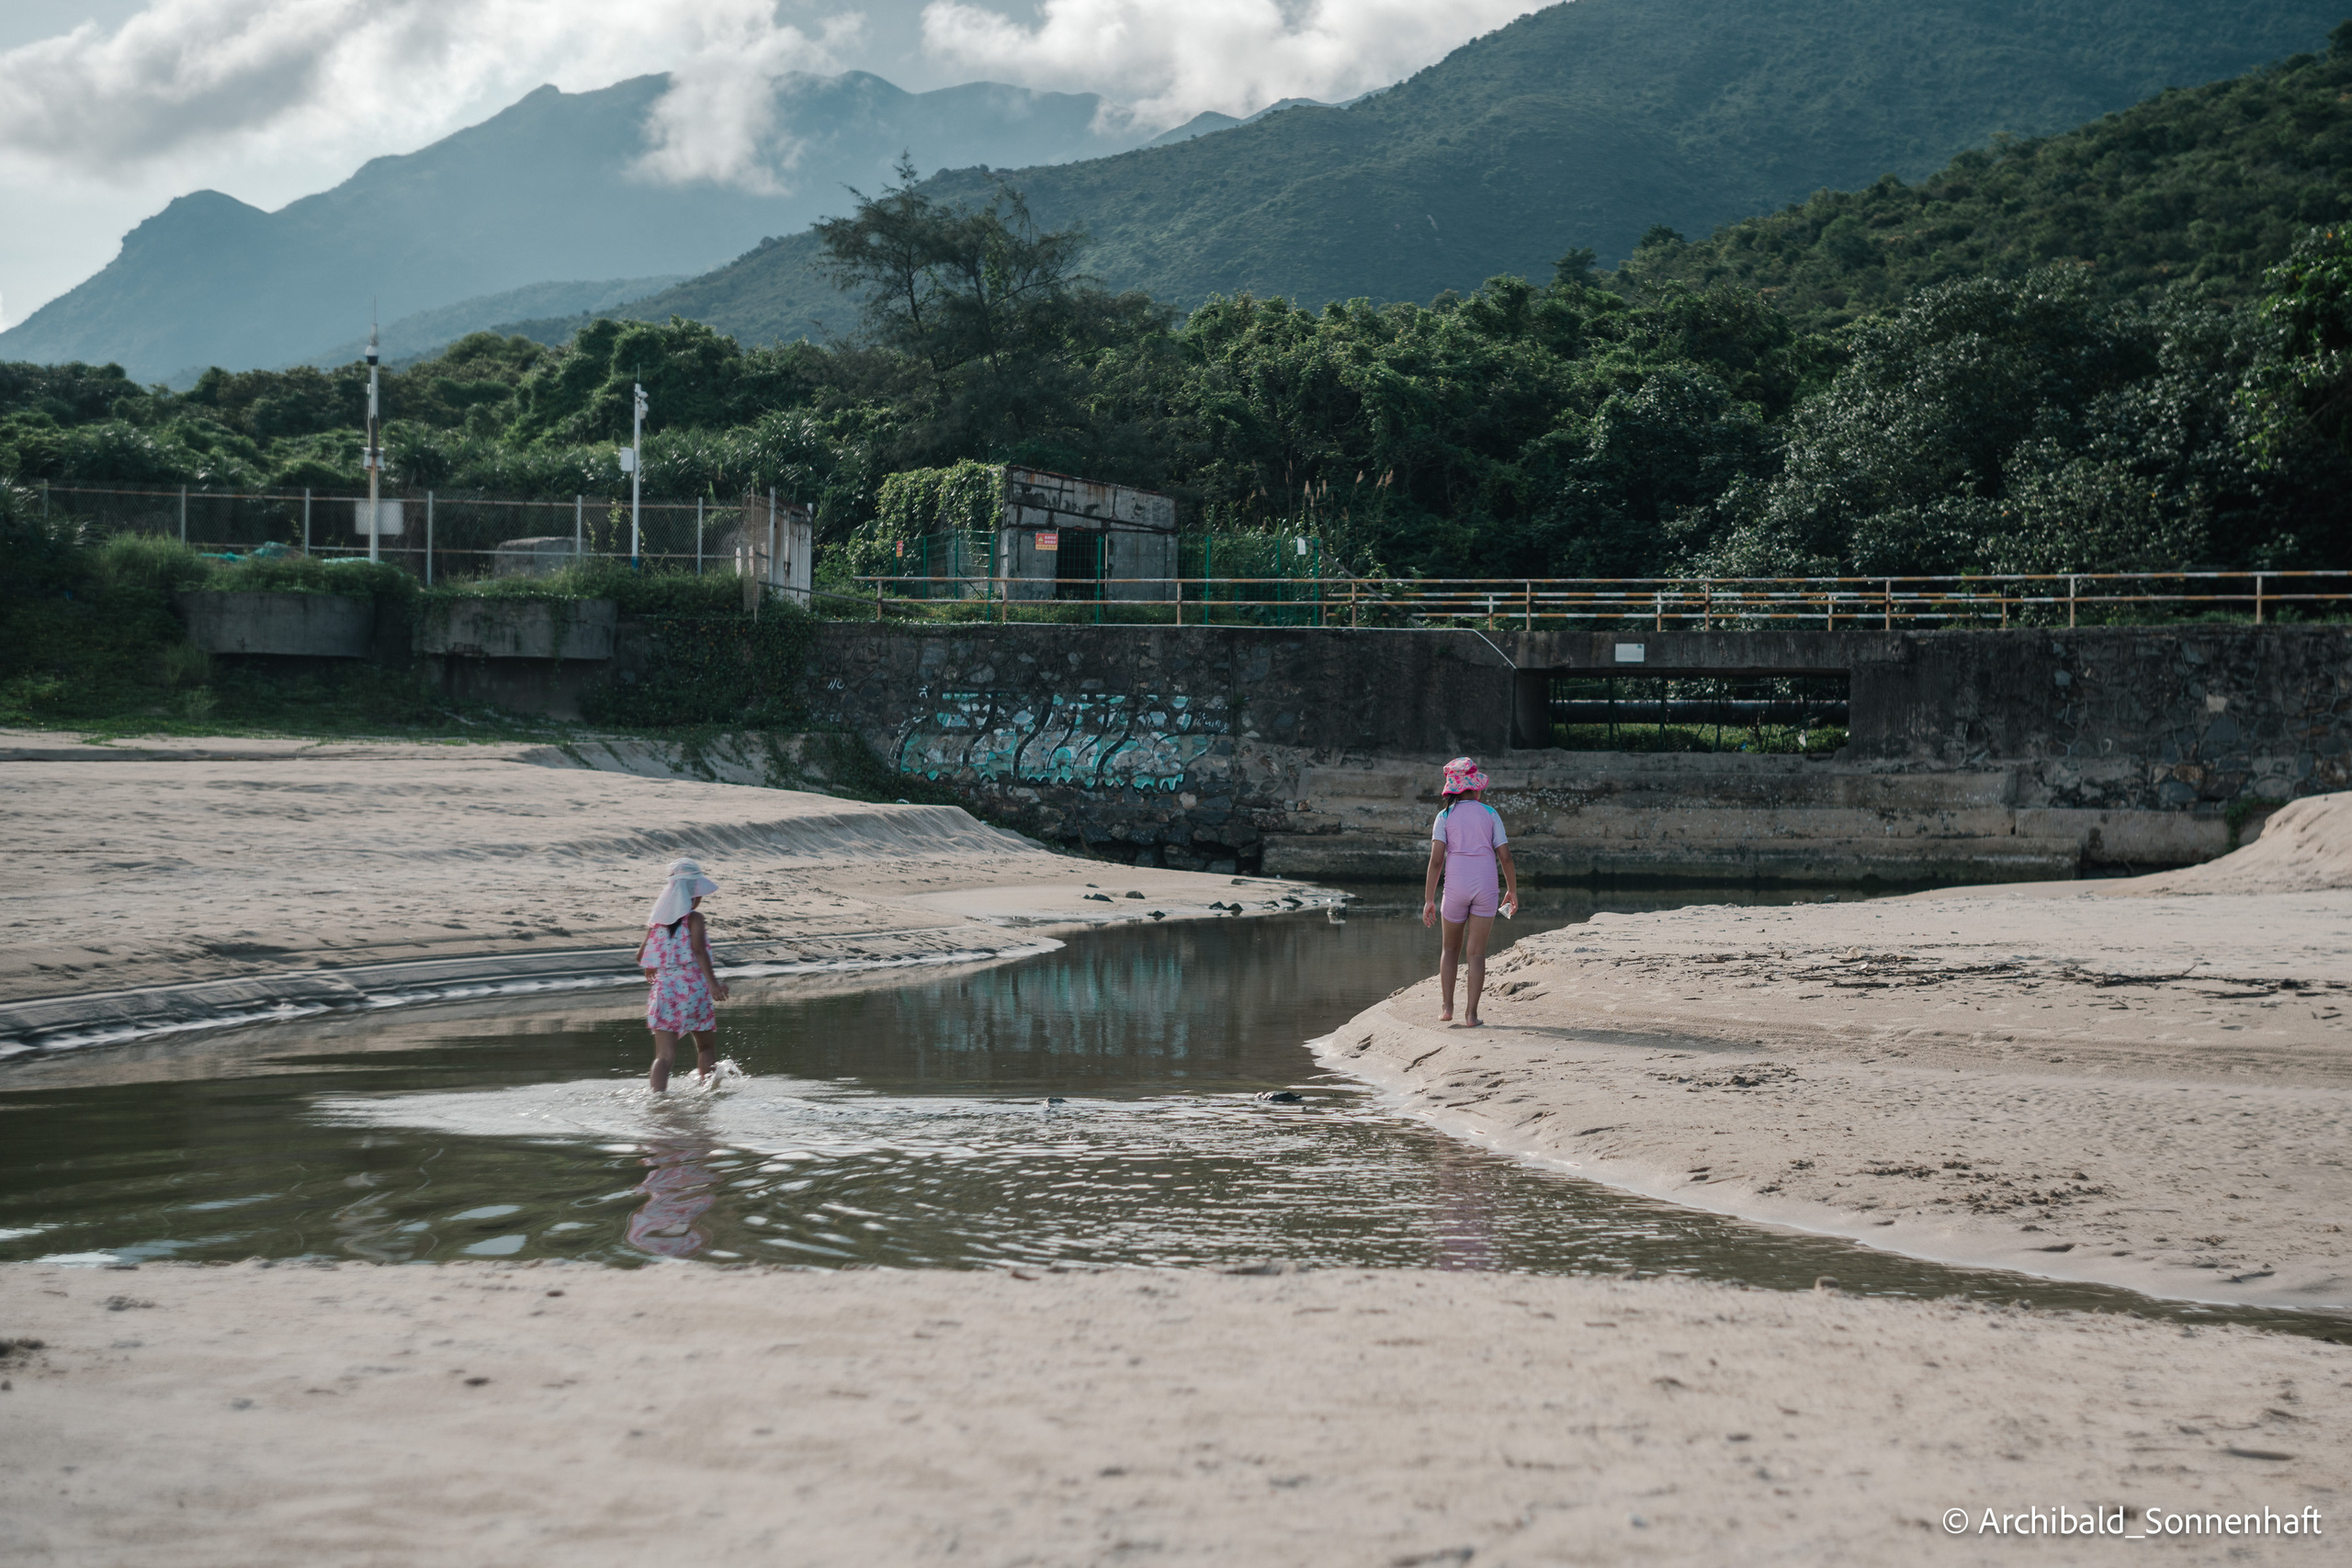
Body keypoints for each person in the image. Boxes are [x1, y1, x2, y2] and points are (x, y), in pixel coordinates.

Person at [1420, 757, 1519, 1027]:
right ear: (1476, 788)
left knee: (1450, 949)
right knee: (1476, 954)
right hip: (1486, 887)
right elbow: (1506, 857)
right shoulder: (1490, 813)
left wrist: (1429, 899)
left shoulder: (1444, 816)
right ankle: (1471, 1015)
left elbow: (1437, 861)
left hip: (1455, 888)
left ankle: (1447, 1008)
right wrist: (1512, 890)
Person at [636, 857, 729, 1090]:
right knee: (706, 1048)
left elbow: (642, 956)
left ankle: (657, 1101)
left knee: (664, 1056)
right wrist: (714, 984)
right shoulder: (694, 919)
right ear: (693, 894)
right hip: (693, 989)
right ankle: (707, 1097)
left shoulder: (656, 922)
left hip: (664, 989)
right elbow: (698, 951)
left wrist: (655, 964)